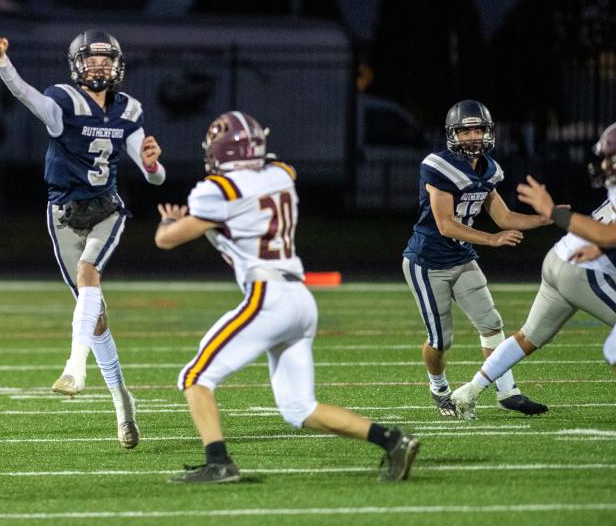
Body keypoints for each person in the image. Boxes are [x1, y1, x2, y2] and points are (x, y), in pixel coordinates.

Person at [155, 111, 419, 484]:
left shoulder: (217, 191)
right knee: (299, 408)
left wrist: (168, 223)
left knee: (194, 377)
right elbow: (278, 171)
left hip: (268, 296)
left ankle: (219, 463)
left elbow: (167, 240)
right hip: (300, 297)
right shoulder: (280, 175)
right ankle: (392, 440)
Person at [0, 28, 165, 449]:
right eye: (91, 59)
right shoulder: (63, 101)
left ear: (118, 65)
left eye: (106, 59)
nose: (99, 66)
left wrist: (154, 166)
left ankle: (74, 368)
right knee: (95, 315)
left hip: (106, 209)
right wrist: (1, 63)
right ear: (77, 65)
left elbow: (155, 177)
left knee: (89, 276)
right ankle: (123, 401)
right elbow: (26, 95)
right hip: (63, 213)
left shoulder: (129, 110)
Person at [451, 122, 616, 418]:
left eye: (610, 158)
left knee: (528, 336)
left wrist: (599, 244)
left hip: (560, 257)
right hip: (582, 270)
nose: (605, 165)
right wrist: (555, 214)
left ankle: (469, 391)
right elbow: (608, 233)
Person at [402, 100, 549, 417]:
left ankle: (507, 391)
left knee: (492, 323)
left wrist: (548, 218)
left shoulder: (491, 170)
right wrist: (492, 240)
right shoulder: (437, 165)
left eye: (478, 129)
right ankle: (439, 388)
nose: (472, 136)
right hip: (428, 261)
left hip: (461, 256)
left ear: (488, 131)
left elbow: (505, 217)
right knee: (441, 341)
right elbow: (445, 224)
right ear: (452, 134)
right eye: (465, 130)